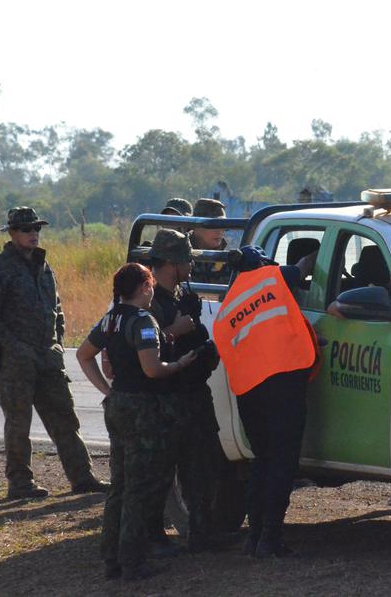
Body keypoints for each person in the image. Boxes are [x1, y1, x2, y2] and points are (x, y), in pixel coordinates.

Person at [0, 206, 108, 500]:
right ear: (12, 233)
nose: (33, 234)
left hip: (48, 358)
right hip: (15, 362)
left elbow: (56, 309)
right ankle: (20, 484)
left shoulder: (45, 267)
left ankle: (82, 478)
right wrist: (13, 345)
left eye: (36, 229)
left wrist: (58, 341)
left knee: (65, 419)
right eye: (26, 229)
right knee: (19, 424)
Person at [76, 263, 197, 580]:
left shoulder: (112, 318)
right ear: (145, 288)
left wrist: (107, 390)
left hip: (118, 405)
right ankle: (133, 560)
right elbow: (152, 370)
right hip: (142, 408)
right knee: (139, 488)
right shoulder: (143, 321)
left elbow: (83, 355)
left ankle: (112, 557)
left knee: (120, 485)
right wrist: (181, 363)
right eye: (151, 285)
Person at [212, 246, 319, 558]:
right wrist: (316, 253)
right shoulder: (274, 277)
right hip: (283, 382)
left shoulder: (228, 306)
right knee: (283, 462)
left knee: (262, 461)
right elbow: (302, 265)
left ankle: (256, 535)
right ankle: (271, 538)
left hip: (248, 391)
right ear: (261, 264)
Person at [146, 229, 222, 553]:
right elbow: (141, 351)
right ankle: (153, 538)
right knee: (160, 473)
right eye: (186, 259)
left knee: (202, 467)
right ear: (173, 262)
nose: (191, 266)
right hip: (167, 400)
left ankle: (202, 532)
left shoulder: (179, 297)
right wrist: (173, 332)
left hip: (193, 395)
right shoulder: (149, 303)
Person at [190, 198, 230, 284]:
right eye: (214, 225)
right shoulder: (178, 255)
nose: (220, 231)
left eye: (223, 225)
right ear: (196, 226)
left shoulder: (229, 259)